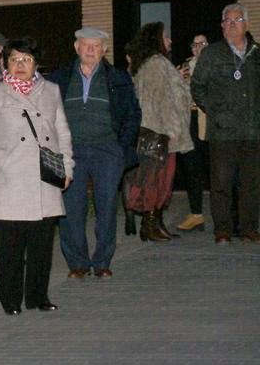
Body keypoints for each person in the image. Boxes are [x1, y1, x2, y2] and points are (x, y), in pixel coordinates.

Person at [0, 38, 72, 314]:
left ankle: (38, 297)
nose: (20, 65)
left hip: (45, 178)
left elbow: (62, 133)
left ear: (36, 64)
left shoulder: (51, 91)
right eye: (14, 59)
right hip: (10, 179)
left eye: (26, 60)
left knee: (41, 247)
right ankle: (11, 300)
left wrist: (67, 169)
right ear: (5, 63)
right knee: (11, 249)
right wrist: (0, 157)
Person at [48, 28, 141, 279]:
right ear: (76, 47)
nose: (90, 50)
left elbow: (133, 115)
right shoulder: (59, 78)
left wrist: (120, 148)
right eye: (85, 45)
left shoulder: (118, 78)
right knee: (70, 207)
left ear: (104, 50)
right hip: (70, 150)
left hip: (107, 150)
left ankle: (102, 262)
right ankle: (77, 263)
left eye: (96, 46)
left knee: (107, 206)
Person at [191, 3, 260, 243]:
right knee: (221, 183)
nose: (231, 25)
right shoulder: (212, 53)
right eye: (227, 21)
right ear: (222, 26)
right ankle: (223, 230)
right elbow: (197, 87)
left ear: (246, 25)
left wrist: (254, 110)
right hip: (223, 131)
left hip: (253, 130)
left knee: (250, 184)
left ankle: (248, 228)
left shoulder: (259, 52)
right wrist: (216, 112)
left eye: (237, 20)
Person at [124, 22, 193, 242]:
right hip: (159, 133)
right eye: (165, 37)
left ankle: (157, 223)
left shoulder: (155, 63)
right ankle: (149, 226)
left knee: (161, 181)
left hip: (159, 132)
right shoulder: (156, 64)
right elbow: (158, 101)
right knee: (156, 181)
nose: (169, 41)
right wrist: (171, 130)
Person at [175, 34, 210, 232]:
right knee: (192, 168)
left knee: (216, 169)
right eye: (195, 44)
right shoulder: (184, 67)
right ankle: (196, 214)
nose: (198, 47)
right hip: (189, 121)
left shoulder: (216, 65)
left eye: (202, 43)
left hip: (211, 122)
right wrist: (177, 80)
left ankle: (229, 217)